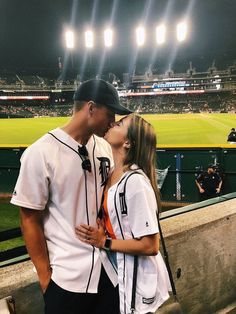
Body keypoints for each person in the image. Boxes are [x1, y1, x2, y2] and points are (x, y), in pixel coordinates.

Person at [10, 79, 131, 314]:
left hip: (107, 273)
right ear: (91, 108)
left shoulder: (104, 148)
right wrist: (46, 278)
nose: (113, 122)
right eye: (110, 113)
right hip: (66, 280)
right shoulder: (40, 153)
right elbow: (28, 219)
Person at [76, 114, 171, 314]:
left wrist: (104, 242)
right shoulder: (112, 173)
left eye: (119, 124)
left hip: (138, 280)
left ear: (127, 142)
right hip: (118, 275)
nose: (112, 124)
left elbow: (150, 245)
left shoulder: (135, 182)